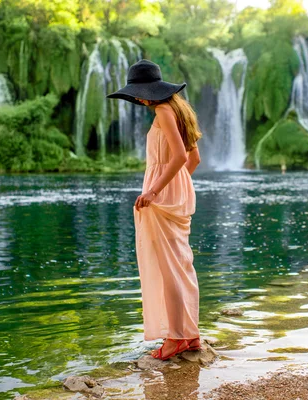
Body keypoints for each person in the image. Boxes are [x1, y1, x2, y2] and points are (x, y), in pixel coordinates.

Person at [106, 59, 203, 361]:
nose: (137, 99)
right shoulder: (179, 110)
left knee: (169, 267)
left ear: (145, 91)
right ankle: (190, 335)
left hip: (162, 193)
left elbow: (176, 157)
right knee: (181, 264)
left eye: (137, 93)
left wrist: (154, 190)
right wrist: (178, 186)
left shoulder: (162, 111)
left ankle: (175, 338)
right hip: (176, 190)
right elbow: (193, 160)